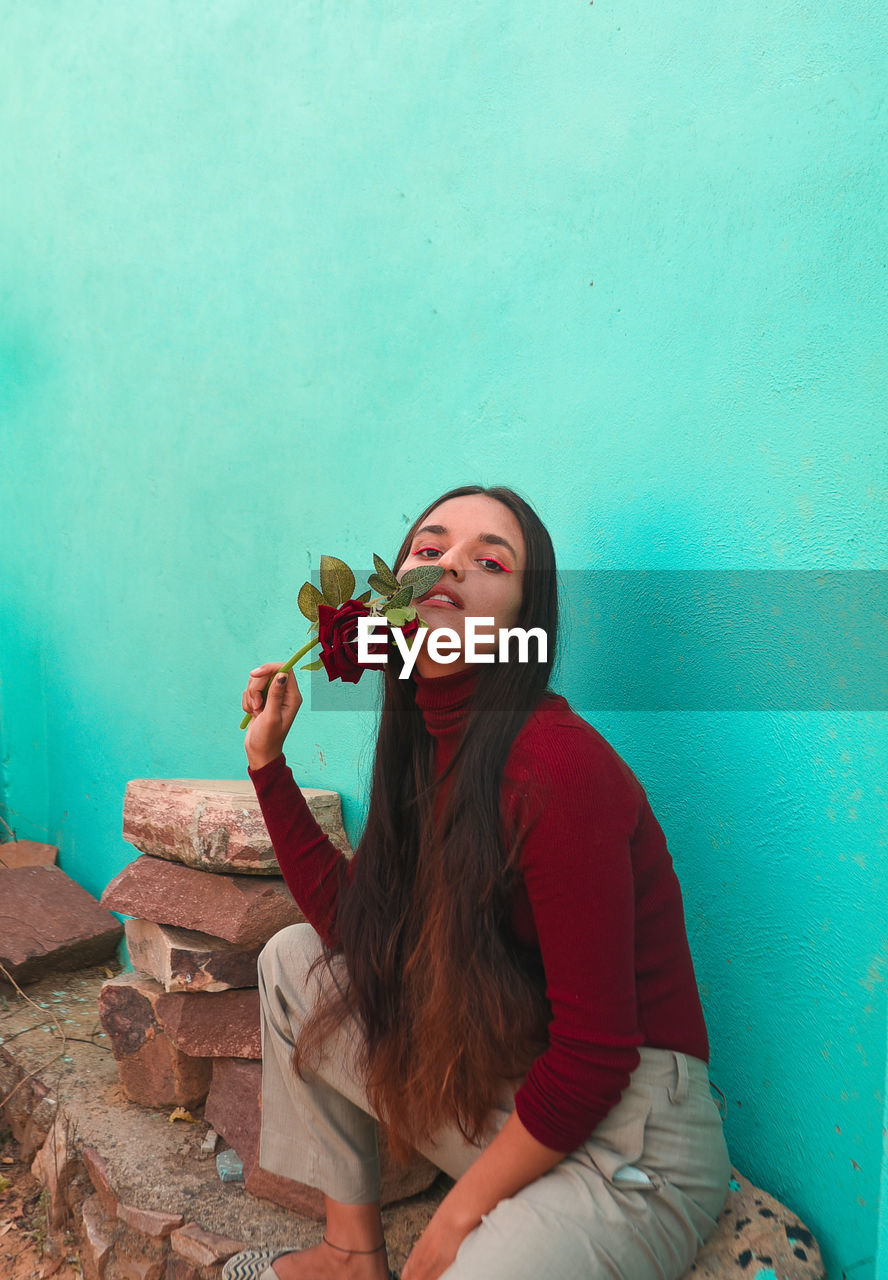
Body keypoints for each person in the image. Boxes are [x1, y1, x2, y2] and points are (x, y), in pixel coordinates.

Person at [223, 485, 730, 1280]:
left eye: (489, 560)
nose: (449, 563)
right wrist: (267, 765)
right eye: (428, 550)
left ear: (522, 629)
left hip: (632, 1140)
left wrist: (456, 1221)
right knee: (295, 964)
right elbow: (356, 927)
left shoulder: (555, 769)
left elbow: (598, 1056)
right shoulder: (426, 749)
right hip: (517, 1083)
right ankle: (351, 1255)